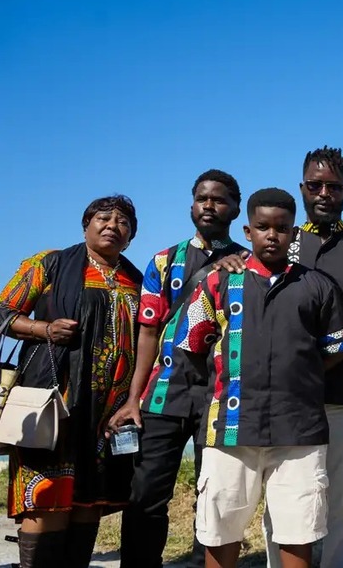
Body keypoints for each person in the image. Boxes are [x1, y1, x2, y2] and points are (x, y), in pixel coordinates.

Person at [217, 146, 343, 568]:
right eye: (315, 185)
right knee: (279, 499)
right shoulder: (280, 239)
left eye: (333, 187)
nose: (324, 193)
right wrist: (228, 259)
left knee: (339, 497)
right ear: (302, 188)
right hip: (281, 399)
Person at [176, 188, 343, 568]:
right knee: (220, 532)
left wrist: (298, 378)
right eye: (262, 227)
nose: (272, 235)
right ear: (248, 231)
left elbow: (336, 348)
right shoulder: (218, 283)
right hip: (229, 429)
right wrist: (227, 383)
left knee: (298, 532)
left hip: (299, 433)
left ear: (294, 233)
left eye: (282, 228)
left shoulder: (318, 286)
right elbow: (192, 345)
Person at [109, 169, 246, 568]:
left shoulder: (248, 263)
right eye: (202, 198)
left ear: (236, 208)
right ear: (191, 205)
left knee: (214, 498)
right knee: (146, 496)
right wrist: (133, 399)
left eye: (219, 199)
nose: (209, 205)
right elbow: (148, 332)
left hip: (222, 397)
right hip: (163, 394)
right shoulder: (164, 261)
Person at [0, 195, 142, 567]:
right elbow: (2, 311)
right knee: (47, 495)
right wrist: (43, 329)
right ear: (85, 225)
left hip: (108, 412)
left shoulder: (135, 279)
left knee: (89, 499)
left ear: (130, 237)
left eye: (123, 221)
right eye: (103, 217)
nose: (112, 225)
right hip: (55, 401)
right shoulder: (51, 263)